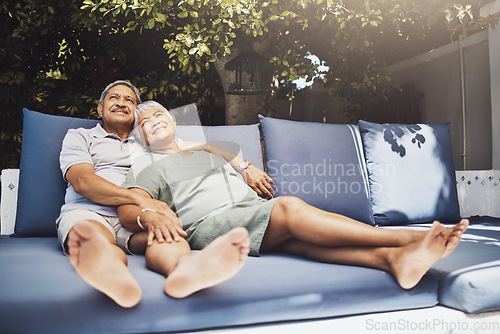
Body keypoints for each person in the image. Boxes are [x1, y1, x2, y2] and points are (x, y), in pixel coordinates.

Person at [118, 100, 470, 293]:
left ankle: (391, 261)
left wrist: (244, 166)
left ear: (175, 123)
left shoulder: (202, 150)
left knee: (302, 243)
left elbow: (222, 153)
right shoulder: (145, 164)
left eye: (161, 114)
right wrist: (148, 216)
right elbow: (130, 204)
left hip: (248, 212)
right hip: (210, 225)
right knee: (287, 207)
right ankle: (411, 238)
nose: (155, 121)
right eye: (146, 122)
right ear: (142, 139)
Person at [57, 81, 271, 308]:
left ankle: (185, 271)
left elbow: (208, 148)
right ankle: (115, 279)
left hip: (138, 217)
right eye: (114, 98)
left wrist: (245, 167)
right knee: (98, 242)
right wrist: (140, 199)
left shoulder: (147, 139)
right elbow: (83, 181)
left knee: (171, 236)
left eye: (129, 100)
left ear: (135, 113)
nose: (121, 103)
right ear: (100, 109)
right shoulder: (81, 136)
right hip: (92, 211)